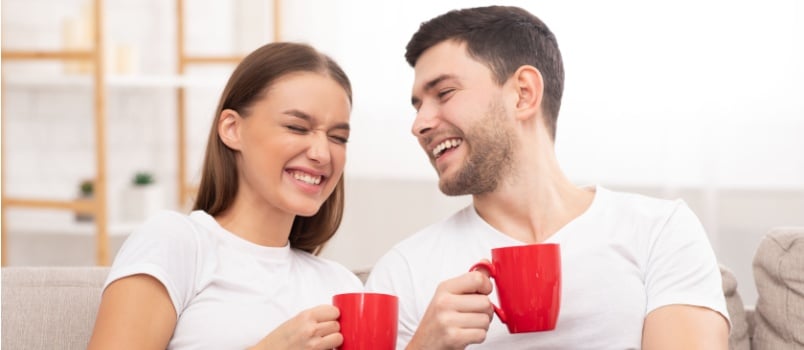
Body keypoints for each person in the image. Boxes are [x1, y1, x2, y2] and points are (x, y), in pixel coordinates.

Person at [365, 5, 730, 349]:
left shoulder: (659, 232)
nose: (419, 124)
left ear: (523, 94)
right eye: (417, 105)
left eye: (444, 93)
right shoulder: (404, 272)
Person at [88, 42, 362, 350]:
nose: (322, 153)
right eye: (297, 127)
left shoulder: (341, 285)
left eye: (338, 137)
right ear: (232, 128)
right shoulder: (176, 243)